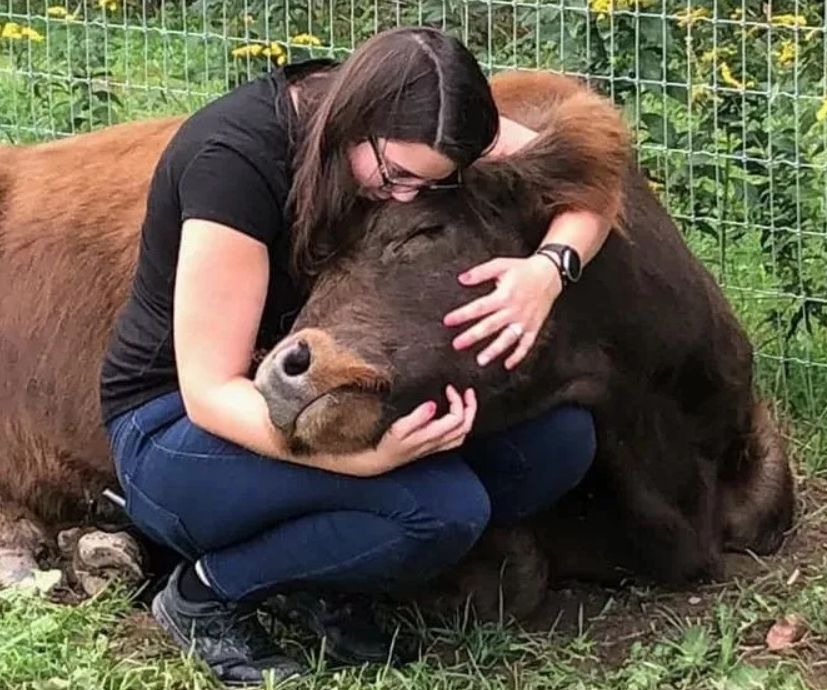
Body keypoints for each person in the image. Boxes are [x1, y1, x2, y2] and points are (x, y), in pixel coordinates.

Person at [99, 26, 615, 686]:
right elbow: (210, 392)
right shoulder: (235, 162)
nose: (405, 196)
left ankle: (327, 576)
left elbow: (595, 175)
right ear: (356, 119)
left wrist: (548, 268)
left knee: (558, 445)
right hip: (179, 430)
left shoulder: (423, 125)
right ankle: (204, 594)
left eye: (430, 183)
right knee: (443, 510)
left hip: (325, 396)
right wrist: (366, 462)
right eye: (395, 176)